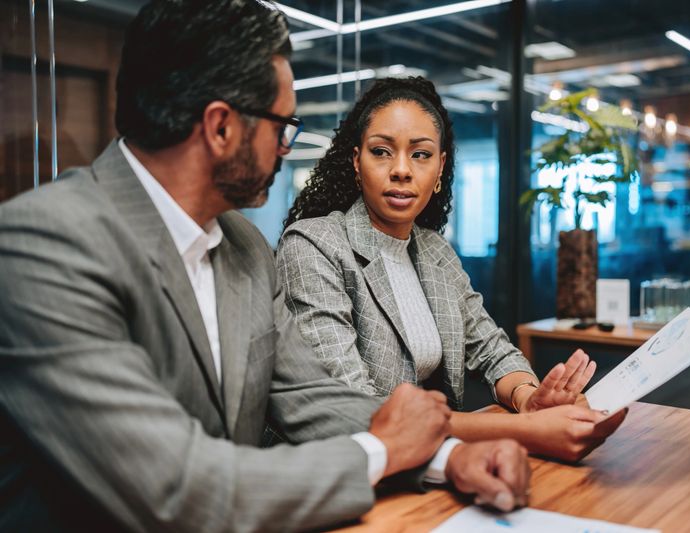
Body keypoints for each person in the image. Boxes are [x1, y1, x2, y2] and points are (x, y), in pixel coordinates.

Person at [0, 2, 532, 531]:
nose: (284, 148)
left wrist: (449, 458)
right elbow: (173, 484)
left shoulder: (245, 245)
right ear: (221, 128)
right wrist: (383, 451)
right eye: (282, 126)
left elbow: (309, 397)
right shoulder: (46, 244)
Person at [278, 77, 626, 461]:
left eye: (420, 154)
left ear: (440, 167)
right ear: (356, 163)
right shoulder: (314, 245)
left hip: (431, 458)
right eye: (381, 151)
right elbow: (351, 405)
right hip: (344, 467)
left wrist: (529, 399)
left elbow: (492, 349)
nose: (401, 170)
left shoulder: (434, 250)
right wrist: (524, 431)